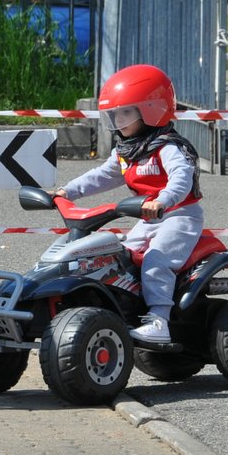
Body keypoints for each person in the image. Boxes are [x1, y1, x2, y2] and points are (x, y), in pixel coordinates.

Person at [55, 64, 202, 345]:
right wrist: (66, 191)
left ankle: (159, 320)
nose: (118, 119)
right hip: (148, 219)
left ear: (151, 110)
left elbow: (181, 179)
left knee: (155, 262)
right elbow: (101, 176)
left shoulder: (168, 147)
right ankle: (125, 310)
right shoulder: (126, 151)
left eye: (126, 112)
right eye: (114, 113)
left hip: (179, 217)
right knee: (116, 257)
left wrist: (162, 200)